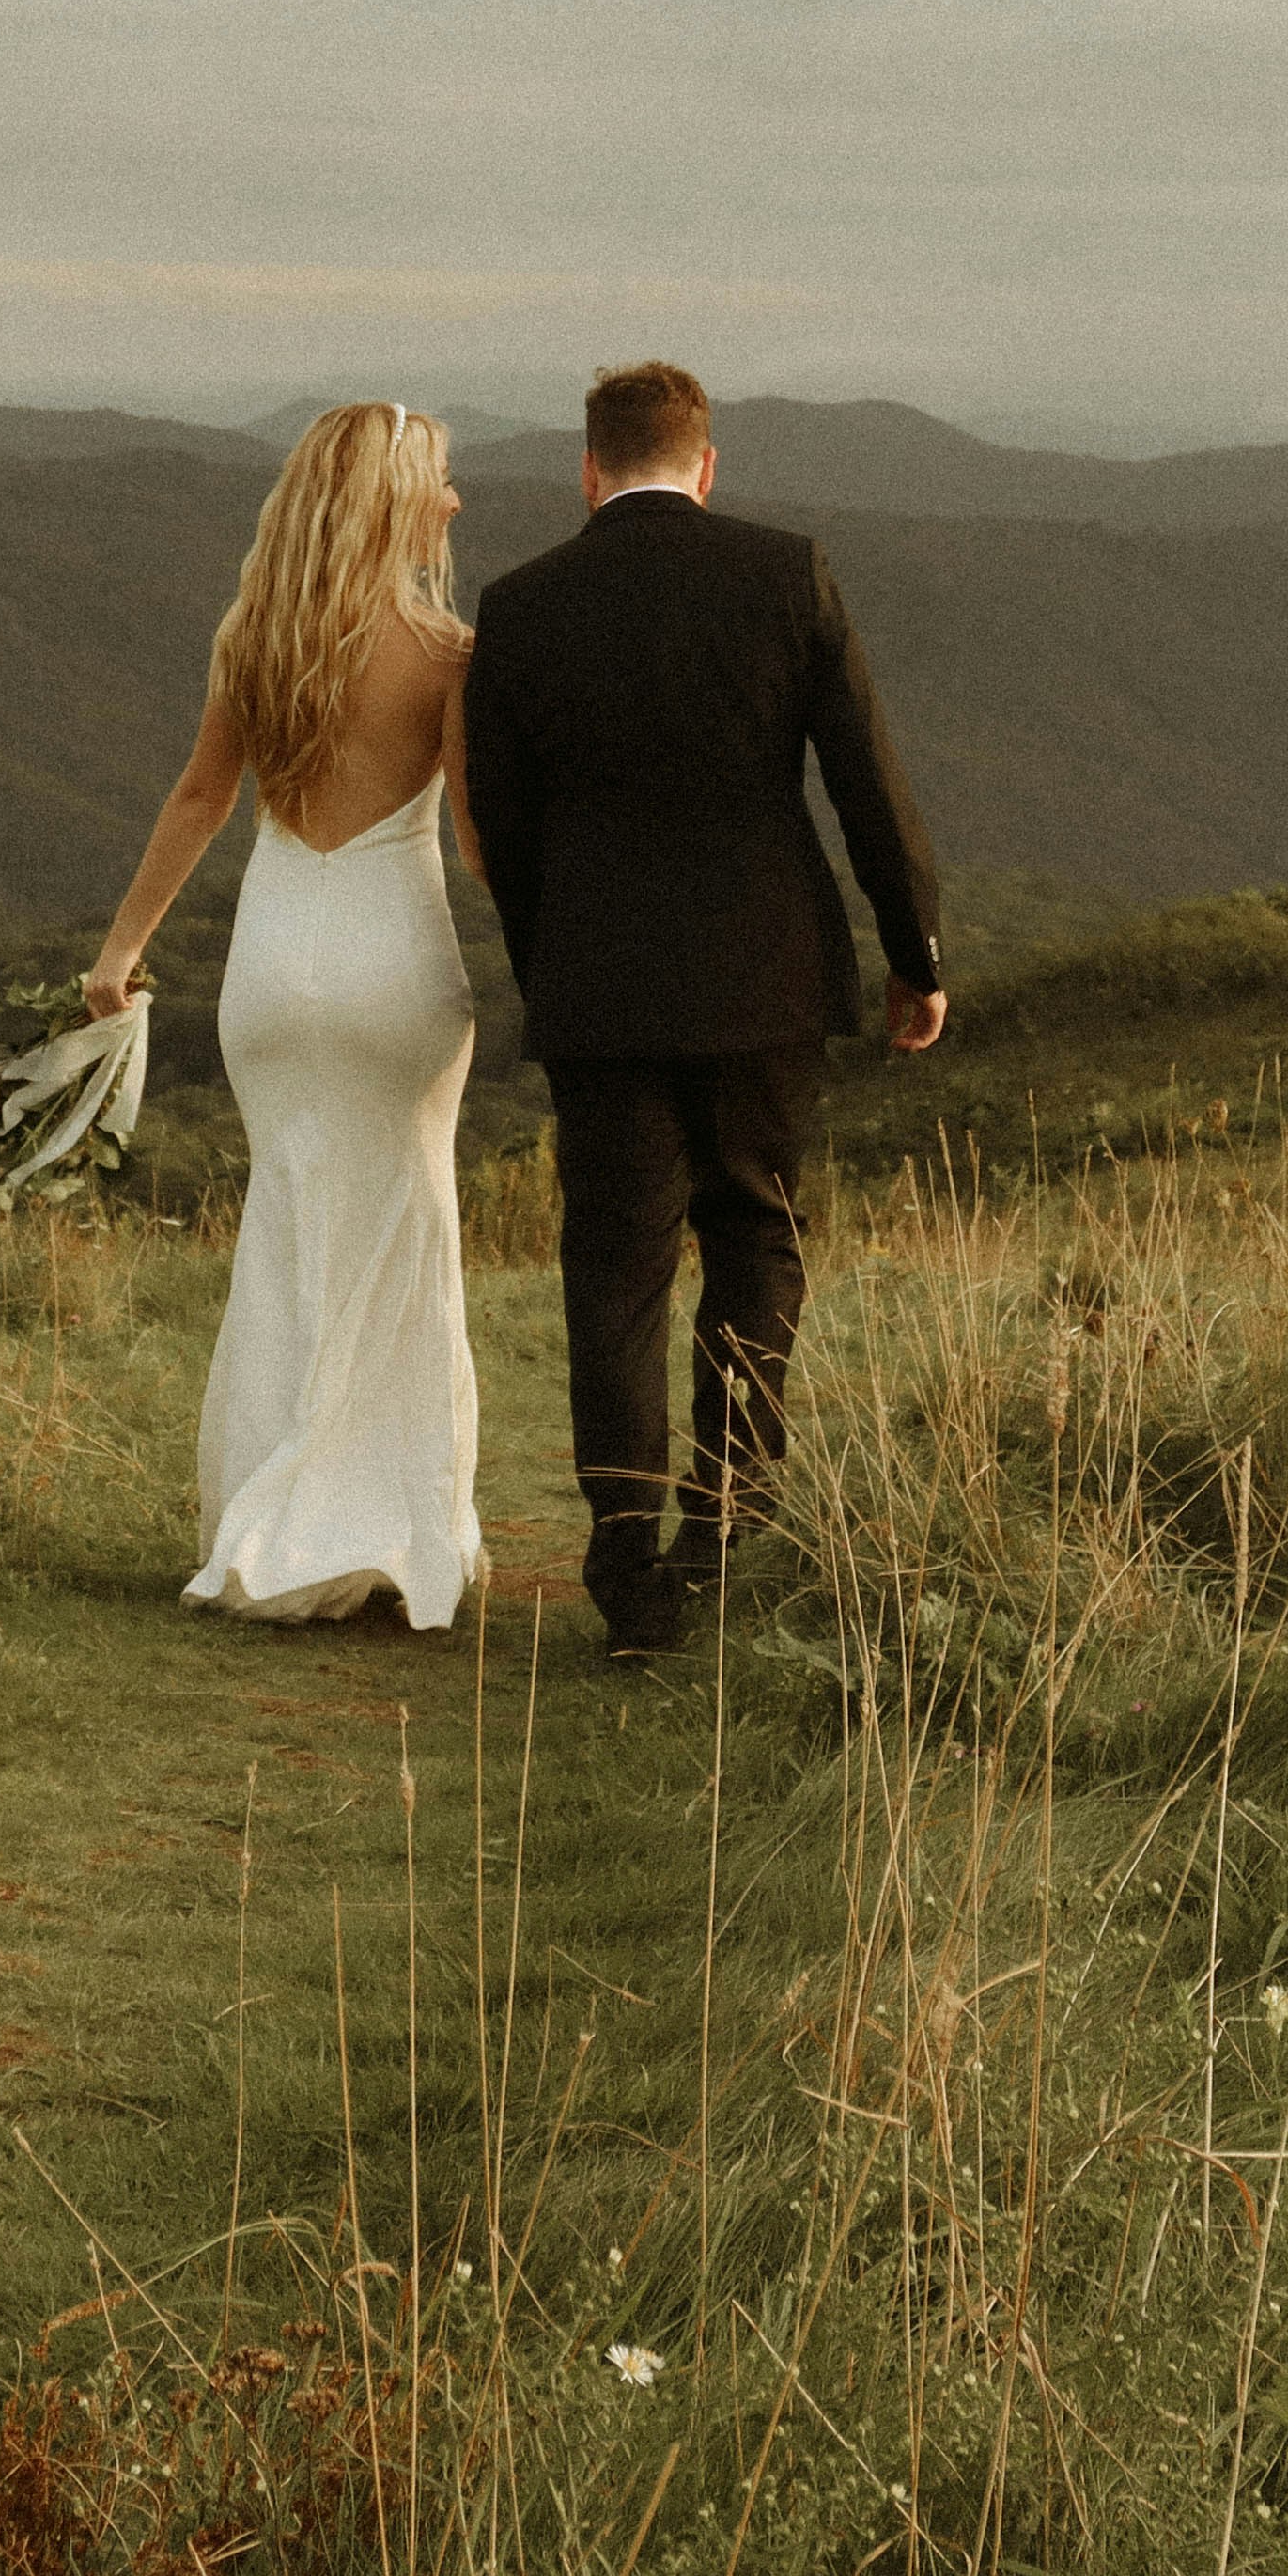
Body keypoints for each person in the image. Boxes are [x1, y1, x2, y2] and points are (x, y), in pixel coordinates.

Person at [460, 361, 942, 1659]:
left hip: (600, 986)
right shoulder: (787, 575)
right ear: (707, 462)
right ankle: (723, 1525)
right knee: (755, 1237)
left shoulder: (521, 607)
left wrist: (550, 963)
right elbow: (866, 784)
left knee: (614, 1268)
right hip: (765, 976)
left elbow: (503, 830)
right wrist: (917, 955)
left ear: (588, 467)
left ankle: (625, 1572)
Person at [78, 404, 486, 1628]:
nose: (455, 505)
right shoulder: (448, 652)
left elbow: (201, 795)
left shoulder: (256, 636)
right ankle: (385, 1523)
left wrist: (121, 950)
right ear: (393, 499)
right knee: (402, 1228)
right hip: (392, 963)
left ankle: (270, 1504)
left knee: (290, 1224)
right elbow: (476, 840)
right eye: (441, 484)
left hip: (272, 964)